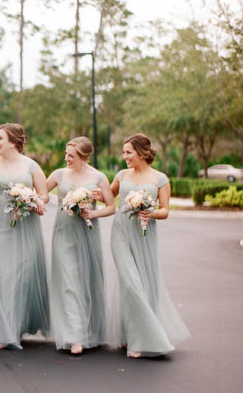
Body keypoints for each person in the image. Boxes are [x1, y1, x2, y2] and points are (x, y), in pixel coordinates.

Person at [101, 133, 190, 358]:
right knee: (130, 282)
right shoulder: (121, 175)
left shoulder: (160, 179)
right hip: (121, 233)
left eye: (128, 152)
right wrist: (90, 195)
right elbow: (108, 197)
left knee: (142, 283)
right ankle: (142, 338)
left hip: (144, 234)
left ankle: (134, 335)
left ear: (141, 152)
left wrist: (150, 213)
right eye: (124, 152)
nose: (125, 157)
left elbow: (165, 211)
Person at [0, 123, 50, 349]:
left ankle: (15, 325)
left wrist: (36, 200)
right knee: (0, 273)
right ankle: (3, 328)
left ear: (12, 142)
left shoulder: (31, 166)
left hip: (25, 224)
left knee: (20, 275)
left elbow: (45, 194)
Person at [46, 137, 115, 355]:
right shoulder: (58, 175)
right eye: (65, 154)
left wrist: (94, 210)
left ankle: (88, 331)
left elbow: (111, 206)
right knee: (68, 282)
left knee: (85, 281)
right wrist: (27, 198)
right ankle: (74, 336)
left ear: (84, 157)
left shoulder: (98, 177)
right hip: (63, 234)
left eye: (71, 156)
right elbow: (41, 192)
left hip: (87, 234)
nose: (66, 158)